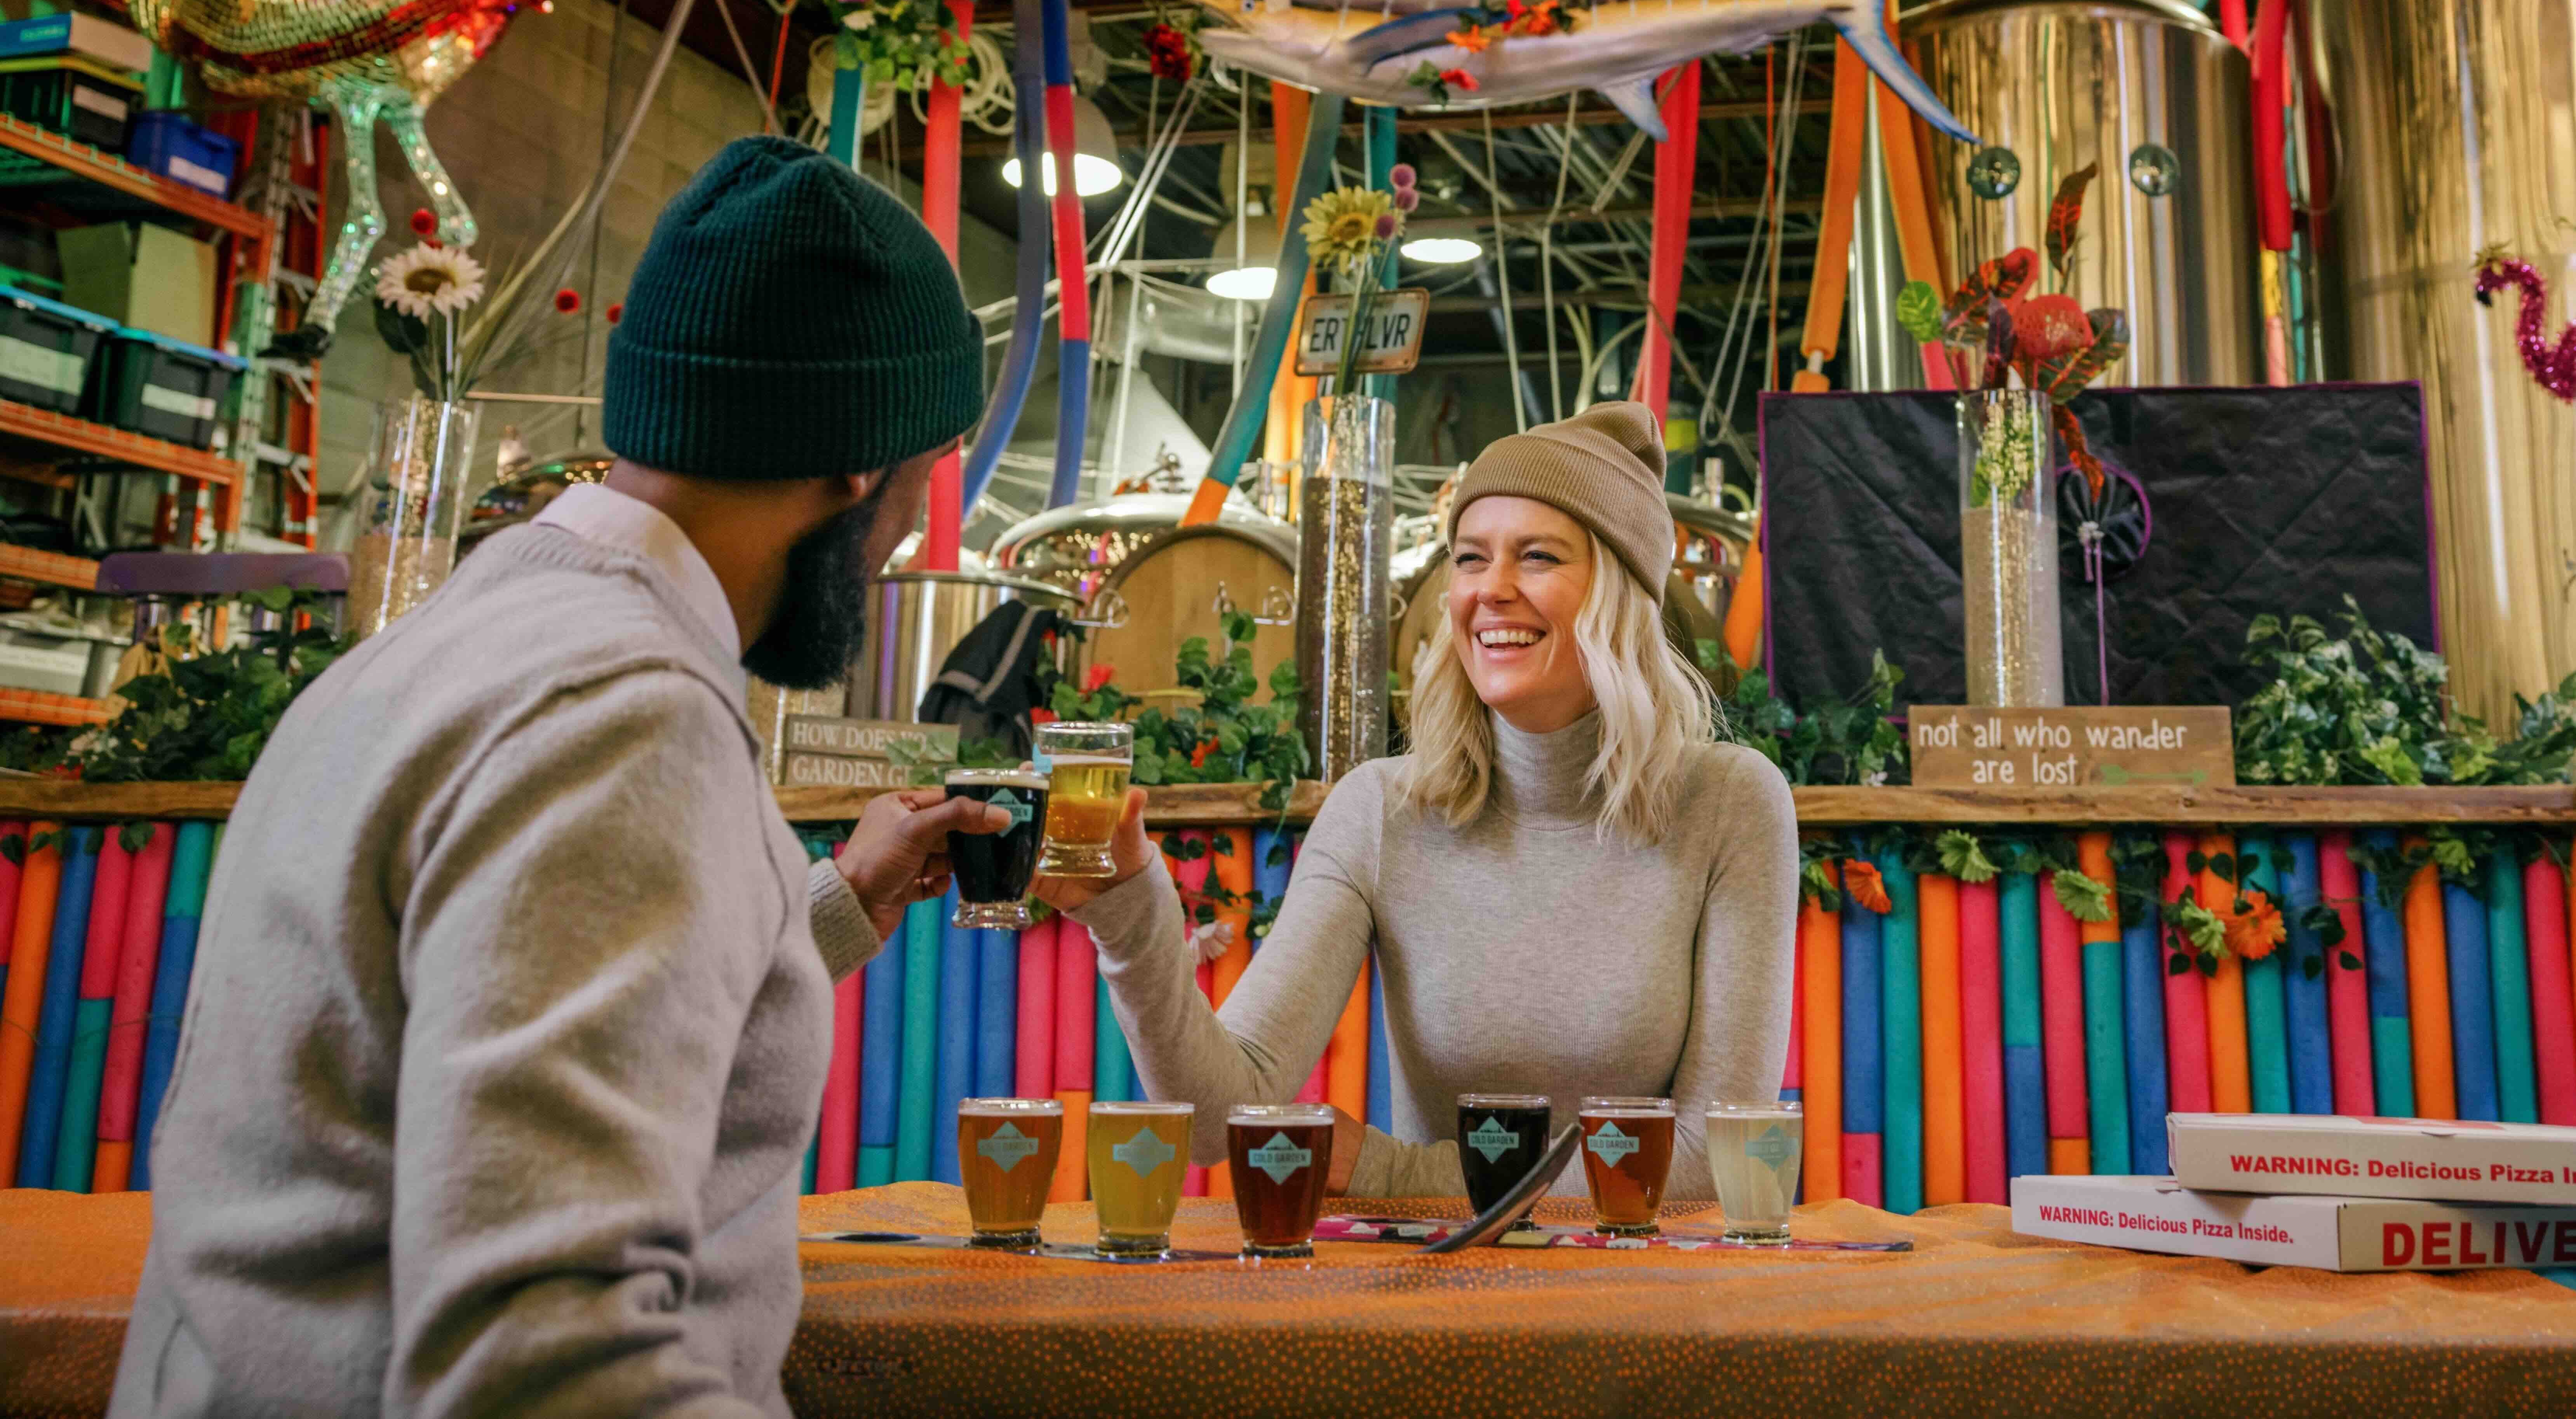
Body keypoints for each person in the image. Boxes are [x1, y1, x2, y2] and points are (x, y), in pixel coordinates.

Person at [113, 137, 999, 1419]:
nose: (912, 530)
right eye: (926, 474)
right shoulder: (624, 719)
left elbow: (468, 1005)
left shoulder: (442, 646)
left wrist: (834, 902)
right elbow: (539, 1359)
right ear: (858, 459)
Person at [1045, 403, 1796, 1200]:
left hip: (1647, 1298)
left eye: (1537, 557)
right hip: (1443, 1299)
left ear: (1619, 591)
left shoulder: (1728, 800)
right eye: (1471, 558)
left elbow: (1712, 1151)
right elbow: (1215, 1116)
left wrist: (1398, 1173)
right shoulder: (1380, 809)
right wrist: (1129, 918)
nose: (1492, 589)